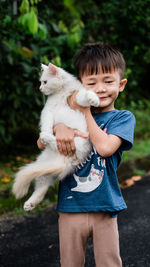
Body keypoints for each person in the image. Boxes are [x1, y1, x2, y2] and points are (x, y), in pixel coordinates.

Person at [37, 42, 136, 267]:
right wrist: (57, 128)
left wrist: (83, 111)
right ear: (80, 86)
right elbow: (41, 143)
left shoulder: (121, 119)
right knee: (70, 263)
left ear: (121, 84)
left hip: (105, 207)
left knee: (109, 263)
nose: (100, 89)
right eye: (91, 83)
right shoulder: (66, 113)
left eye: (108, 81)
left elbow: (105, 148)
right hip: (70, 207)